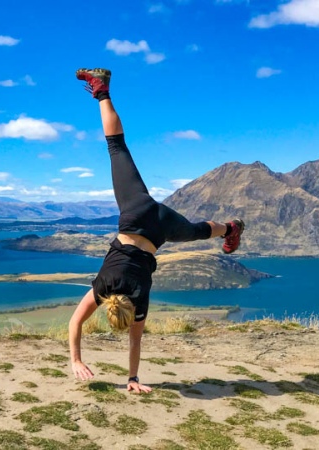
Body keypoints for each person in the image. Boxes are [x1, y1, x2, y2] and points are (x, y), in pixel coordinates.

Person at [68, 68, 244, 394]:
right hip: (137, 212)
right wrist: (76, 359)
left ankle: (230, 229)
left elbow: (135, 343)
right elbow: (75, 323)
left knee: (193, 231)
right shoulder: (103, 287)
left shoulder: (140, 301)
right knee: (116, 147)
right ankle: (101, 89)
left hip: (159, 228)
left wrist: (132, 379)